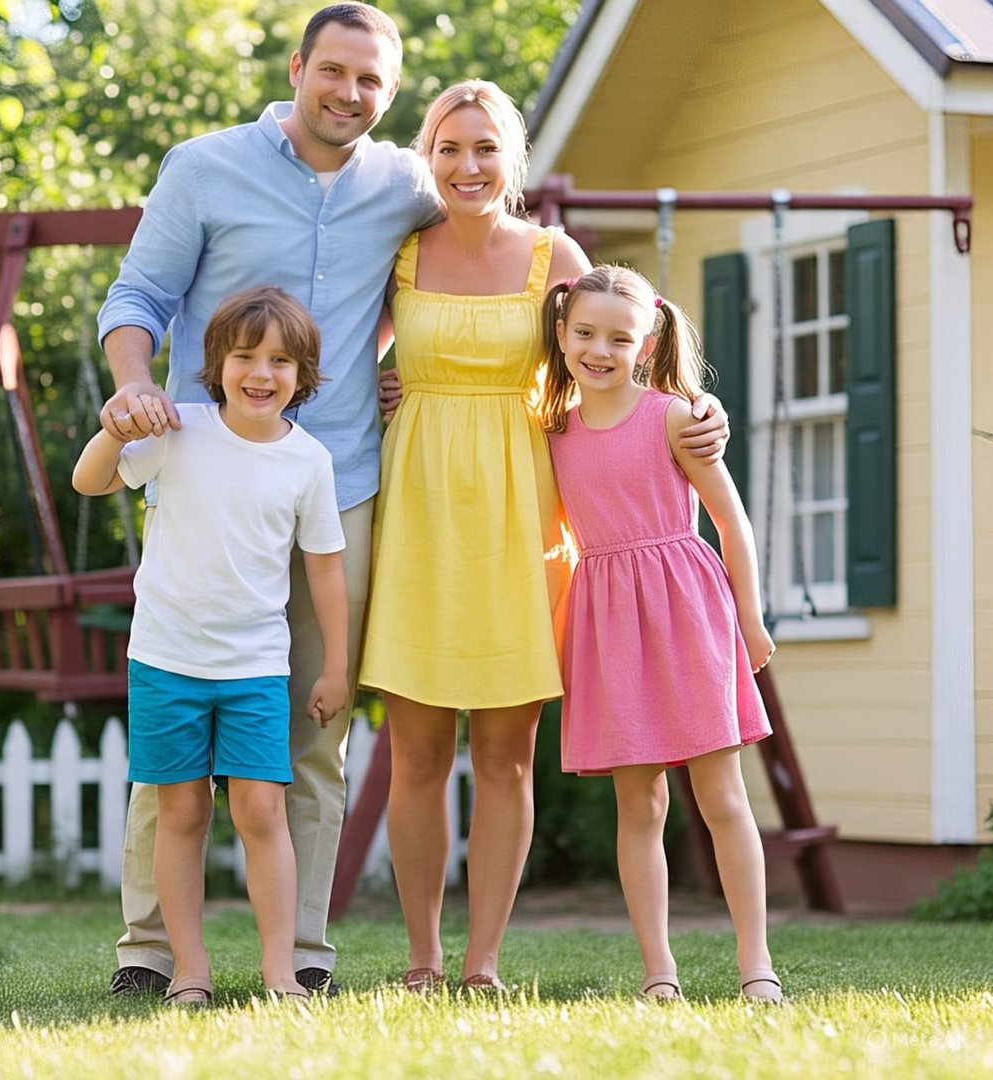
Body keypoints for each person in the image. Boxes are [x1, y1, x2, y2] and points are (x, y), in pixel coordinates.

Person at [94, 3, 442, 996]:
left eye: (371, 81)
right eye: (333, 71)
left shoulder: (406, 186)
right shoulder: (203, 167)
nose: (349, 93)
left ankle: (305, 954)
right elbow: (138, 302)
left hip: (344, 479)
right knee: (179, 720)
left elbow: (475, 248)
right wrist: (132, 385)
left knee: (318, 720)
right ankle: (149, 953)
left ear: (390, 94)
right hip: (211, 480)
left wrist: (390, 364)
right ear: (297, 67)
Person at [358, 82, 731, 993]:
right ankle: (422, 958)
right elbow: (338, 359)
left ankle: (481, 963)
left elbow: (614, 351)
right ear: (427, 156)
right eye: (448, 148)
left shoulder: (553, 254)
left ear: (512, 160)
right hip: (416, 508)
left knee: (503, 751)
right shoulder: (399, 254)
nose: (467, 166)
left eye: (485, 148)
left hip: (524, 515)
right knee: (413, 750)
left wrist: (696, 406)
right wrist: (371, 392)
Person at [74, 286, 349, 1005]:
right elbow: (89, 480)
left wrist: (339, 667)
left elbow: (324, 567)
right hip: (166, 662)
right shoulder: (176, 431)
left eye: (282, 361)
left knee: (261, 810)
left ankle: (280, 973)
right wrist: (114, 426)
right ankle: (188, 972)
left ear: (304, 374)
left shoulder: (309, 461)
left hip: (256, 667)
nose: (262, 373)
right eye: (246, 356)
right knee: (182, 812)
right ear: (217, 363)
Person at [540, 265, 782, 1003]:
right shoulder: (552, 431)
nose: (600, 350)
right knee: (639, 804)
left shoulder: (675, 416)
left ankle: (756, 965)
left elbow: (730, 520)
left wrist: (750, 618)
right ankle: (659, 973)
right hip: (607, 620)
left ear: (646, 345)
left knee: (722, 797)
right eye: (585, 333)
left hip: (686, 606)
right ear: (561, 334)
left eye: (619, 338)